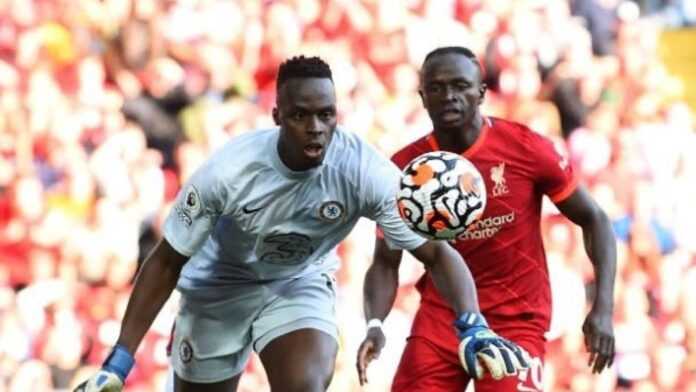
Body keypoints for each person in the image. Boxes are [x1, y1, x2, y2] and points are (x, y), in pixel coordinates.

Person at [74, 55, 529, 392]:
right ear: (277, 118)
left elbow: (435, 252)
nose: (315, 127)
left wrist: (473, 326)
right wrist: (119, 360)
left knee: (305, 386)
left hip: (297, 282)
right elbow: (165, 262)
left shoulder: (363, 170)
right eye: (300, 115)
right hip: (217, 288)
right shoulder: (229, 172)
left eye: (325, 115)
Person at [357, 46, 617, 392]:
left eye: (460, 85)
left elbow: (594, 219)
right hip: (440, 320)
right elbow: (386, 261)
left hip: (517, 321)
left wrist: (602, 307)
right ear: (422, 97)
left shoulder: (525, 148)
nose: (449, 96)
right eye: (436, 87)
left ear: (481, 92)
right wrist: (375, 322)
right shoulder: (407, 170)